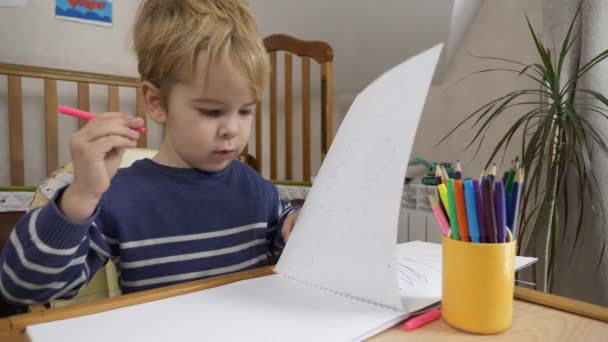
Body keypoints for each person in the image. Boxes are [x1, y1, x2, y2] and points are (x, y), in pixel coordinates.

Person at [0, 0, 299, 305]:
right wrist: (81, 196)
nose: (232, 130)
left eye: (246, 111)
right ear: (156, 103)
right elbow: (22, 288)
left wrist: (299, 227)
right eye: (211, 111)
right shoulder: (120, 195)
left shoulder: (255, 187)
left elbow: (288, 240)